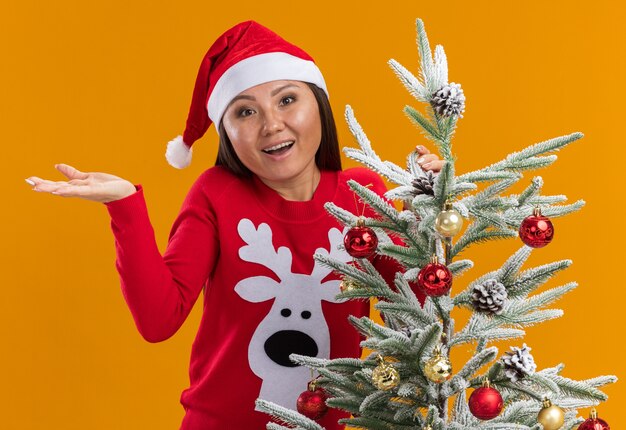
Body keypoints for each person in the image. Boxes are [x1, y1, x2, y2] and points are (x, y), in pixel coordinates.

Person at [25, 21, 442, 429]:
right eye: (245, 111)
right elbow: (158, 320)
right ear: (226, 132)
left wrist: (429, 214)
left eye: (286, 100)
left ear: (319, 103)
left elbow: (413, 318)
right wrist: (124, 207)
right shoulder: (216, 194)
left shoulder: (363, 193)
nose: (271, 125)